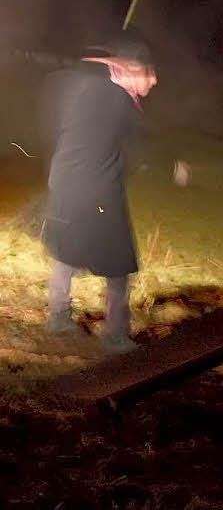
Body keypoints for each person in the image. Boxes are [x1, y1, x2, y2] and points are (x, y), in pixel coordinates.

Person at [40, 30, 157, 353]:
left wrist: (108, 69)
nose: (154, 81)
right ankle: (116, 336)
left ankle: (58, 317)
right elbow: (141, 140)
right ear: (127, 71)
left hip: (63, 183)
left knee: (66, 254)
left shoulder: (76, 87)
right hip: (98, 194)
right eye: (148, 73)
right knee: (119, 267)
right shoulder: (118, 101)